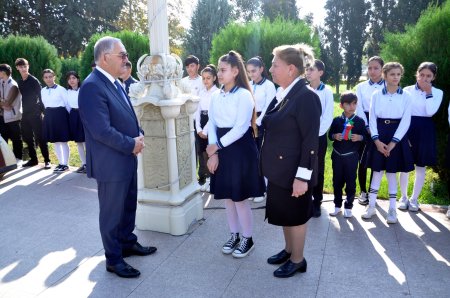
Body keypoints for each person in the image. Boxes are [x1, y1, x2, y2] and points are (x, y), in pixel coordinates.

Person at [78, 36, 156, 278]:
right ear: (104, 58)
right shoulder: (92, 86)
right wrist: (131, 144)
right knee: (112, 213)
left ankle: (127, 243)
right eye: (121, 55)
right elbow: (100, 130)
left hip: (125, 157)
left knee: (128, 205)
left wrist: (138, 134)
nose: (126, 59)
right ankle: (114, 258)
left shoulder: (113, 82)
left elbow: (125, 115)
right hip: (110, 163)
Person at [261, 44, 321, 278]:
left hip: (295, 171)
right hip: (280, 169)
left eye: (275, 65)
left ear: (291, 69)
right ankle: (289, 251)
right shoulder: (285, 93)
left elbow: (310, 143)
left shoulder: (306, 97)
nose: (271, 69)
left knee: (295, 216)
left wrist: (302, 178)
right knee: (285, 212)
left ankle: (298, 260)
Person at [206, 50, 264, 259]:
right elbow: (211, 123)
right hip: (220, 148)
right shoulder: (215, 95)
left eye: (223, 70)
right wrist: (213, 151)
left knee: (239, 198)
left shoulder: (244, 95)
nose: (219, 74)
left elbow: (241, 128)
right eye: (218, 69)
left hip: (240, 149)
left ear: (235, 71)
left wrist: (217, 146)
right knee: (227, 198)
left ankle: (248, 238)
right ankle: (234, 235)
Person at [362, 62, 413, 224]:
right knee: (377, 172)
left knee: (392, 172)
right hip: (379, 135)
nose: (396, 77)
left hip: (396, 138)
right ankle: (371, 206)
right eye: (392, 74)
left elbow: (406, 121)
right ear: (385, 75)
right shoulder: (376, 95)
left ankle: (392, 209)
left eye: (398, 74)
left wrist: (393, 143)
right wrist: (376, 141)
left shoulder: (406, 97)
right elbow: (372, 119)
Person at [398, 62, 443, 212]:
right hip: (408, 126)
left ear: (433, 77)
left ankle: (414, 199)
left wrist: (428, 92)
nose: (424, 78)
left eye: (428, 76)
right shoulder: (407, 90)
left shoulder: (437, 92)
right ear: (417, 74)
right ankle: (403, 197)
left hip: (425, 129)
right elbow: (402, 112)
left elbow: (430, 111)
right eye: (422, 74)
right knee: (405, 164)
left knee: (421, 165)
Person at [328, 92, 367, 218]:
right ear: (341, 106)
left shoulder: (360, 121)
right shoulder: (337, 120)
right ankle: (337, 205)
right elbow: (330, 135)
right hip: (337, 155)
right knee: (337, 181)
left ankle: (349, 206)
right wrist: (335, 136)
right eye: (348, 104)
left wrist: (359, 137)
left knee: (351, 181)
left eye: (354, 103)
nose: (351, 106)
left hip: (351, 156)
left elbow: (366, 138)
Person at [246, 56, 276, 203]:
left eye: (254, 71)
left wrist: (257, 122)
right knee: (251, 155)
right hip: (249, 122)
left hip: (262, 123)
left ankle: (263, 189)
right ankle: (255, 187)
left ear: (261, 69)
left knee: (261, 155)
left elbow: (269, 107)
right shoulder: (249, 85)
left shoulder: (269, 85)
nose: (251, 74)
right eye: (249, 72)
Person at [306, 59, 334, 217]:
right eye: (307, 69)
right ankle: (305, 200)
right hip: (303, 137)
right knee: (304, 168)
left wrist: (315, 135)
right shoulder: (304, 90)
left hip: (318, 137)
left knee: (318, 169)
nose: (308, 72)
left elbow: (328, 116)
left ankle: (317, 202)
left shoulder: (327, 91)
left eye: (311, 69)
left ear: (320, 73)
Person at [356, 56, 385, 206]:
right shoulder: (361, 87)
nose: (372, 71)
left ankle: (372, 191)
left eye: (376, 68)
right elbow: (358, 108)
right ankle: (363, 192)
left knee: (375, 160)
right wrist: (367, 126)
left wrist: (374, 127)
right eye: (370, 68)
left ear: (382, 69)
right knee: (362, 159)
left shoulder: (387, 86)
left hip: (380, 124)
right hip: (363, 123)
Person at [15, 58, 51, 169]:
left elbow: (41, 97)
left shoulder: (34, 80)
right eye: (20, 67)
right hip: (24, 114)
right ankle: (33, 160)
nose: (23, 68)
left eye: (24, 66)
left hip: (35, 113)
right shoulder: (19, 81)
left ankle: (47, 161)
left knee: (40, 137)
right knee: (28, 138)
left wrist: (42, 112)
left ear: (28, 66)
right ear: (17, 68)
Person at [41, 69, 70, 172]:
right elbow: (44, 104)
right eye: (46, 77)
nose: (48, 79)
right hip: (49, 115)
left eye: (50, 76)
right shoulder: (43, 90)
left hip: (60, 115)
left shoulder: (61, 89)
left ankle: (65, 164)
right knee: (55, 141)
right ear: (43, 79)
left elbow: (67, 104)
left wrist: (69, 118)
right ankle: (60, 163)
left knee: (63, 141)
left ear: (54, 77)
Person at [195, 64, 219, 192]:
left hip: (211, 124)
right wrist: (198, 128)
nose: (205, 81)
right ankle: (208, 179)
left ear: (214, 78)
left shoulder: (217, 92)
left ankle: (214, 181)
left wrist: (205, 130)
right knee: (202, 153)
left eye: (208, 78)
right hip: (202, 122)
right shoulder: (201, 92)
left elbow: (214, 113)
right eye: (203, 78)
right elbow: (197, 111)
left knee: (212, 152)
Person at [0, 64, 23, 163]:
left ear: (3, 72)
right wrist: (3, 103)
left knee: (16, 138)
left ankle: (18, 158)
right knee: (4, 138)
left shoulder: (13, 85)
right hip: (2, 116)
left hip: (13, 116)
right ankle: (6, 159)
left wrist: (4, 103)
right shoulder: (1, 82)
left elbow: (7, 103)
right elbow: (4, 104)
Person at [66, 71, 86, 173]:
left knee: (87, 141)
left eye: (73, 78)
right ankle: (84, 163)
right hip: (74, 116)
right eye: (69, 79)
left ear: (78, 79)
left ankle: (92, 164)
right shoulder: (67, 92)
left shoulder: (84, 90)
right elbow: (67, 106)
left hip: (84, 116)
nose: (71, 80)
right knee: (79, 142)